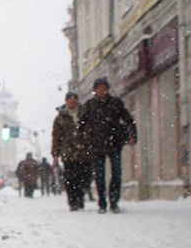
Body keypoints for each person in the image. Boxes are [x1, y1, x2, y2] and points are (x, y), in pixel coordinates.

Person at [79, 77, 137, 214]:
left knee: (116, 173)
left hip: (114, 143)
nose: (102, 90)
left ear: (108, 89)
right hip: (96, 144)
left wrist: (132, 135)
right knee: (99, 176)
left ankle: (114, 201)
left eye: (104, 88)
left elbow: (128, 119)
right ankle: (102, 203)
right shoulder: (89, 105)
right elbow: (81, 124)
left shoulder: (115, 103)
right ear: (95, 90)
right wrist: (80, 140)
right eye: (99, 88)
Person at [52, 91, 92, 211]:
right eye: (70, 100)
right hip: (68, 152)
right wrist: (55, 154)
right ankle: (73, 201)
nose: (72, 102)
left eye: (74, 99)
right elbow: (56, 137)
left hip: (85, 152)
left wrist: (85, 142)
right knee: (70, 178)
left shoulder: (85, 114)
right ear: (66, 101)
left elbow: (90, 130)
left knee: (85, 177)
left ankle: (81, 196)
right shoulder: (60, 118)